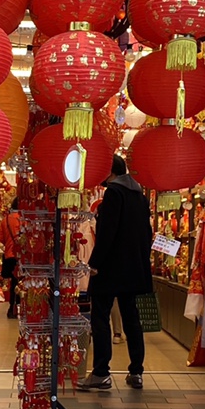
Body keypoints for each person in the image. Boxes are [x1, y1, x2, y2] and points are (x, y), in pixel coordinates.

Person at [79, 155, 153, 390]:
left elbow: (107, 233)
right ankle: (136, 372)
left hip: (110, 268)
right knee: (132, 318)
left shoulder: (113, 194)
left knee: (100, 317)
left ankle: (101, 372)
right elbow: (146, 234)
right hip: (134, 268)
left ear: (109, 171)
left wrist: (95, 263)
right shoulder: (139, 196)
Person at [0, 198, 21, 319]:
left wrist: (9, 244)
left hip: (10, 255)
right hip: (22, 256)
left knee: (13, 282)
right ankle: (20, 307)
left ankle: (12, 308)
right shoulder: (25, 219)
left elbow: (0, 238)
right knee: (22, 283)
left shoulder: (5, 220)